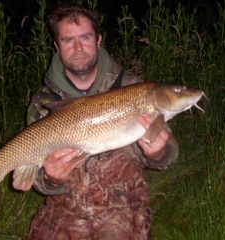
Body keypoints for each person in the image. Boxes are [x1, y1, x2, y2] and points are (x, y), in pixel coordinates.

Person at [24, 3, 178, 240]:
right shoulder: (44, 101)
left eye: (85, 37)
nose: (77, 47)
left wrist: (158, 153)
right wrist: (50, 179)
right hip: (64, 209)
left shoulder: (132, 87)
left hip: (122, 209)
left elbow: (168, 153)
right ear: (56, 47)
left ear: (98, 40)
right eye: (68, 40)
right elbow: (37, 180)